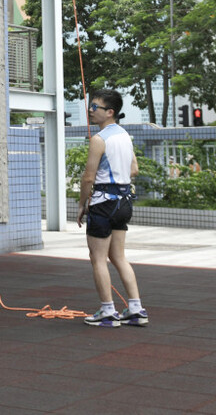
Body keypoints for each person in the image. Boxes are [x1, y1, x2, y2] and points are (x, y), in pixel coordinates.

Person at [78, 89, 148, 328]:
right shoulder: (125, 136)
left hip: (104, 202)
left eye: (94, 107)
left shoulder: (99, 139)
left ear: (110, 112)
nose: (90, 111)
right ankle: (136, 309)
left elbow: (88, 177)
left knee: (98, 258)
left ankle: (108, 311)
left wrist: (82, 204)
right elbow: (134, 169)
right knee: (118, 256)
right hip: (124, 201)